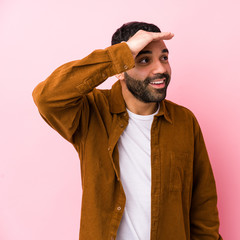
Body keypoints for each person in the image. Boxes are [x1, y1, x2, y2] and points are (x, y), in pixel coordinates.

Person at [33, 21, 222, 240]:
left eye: (164, 57)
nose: (161, 69)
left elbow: (203, 207)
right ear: (120, 71)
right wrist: (121, 54)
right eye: (143, 60)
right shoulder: (91, 113)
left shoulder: (184, 121)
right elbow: (46, 98)